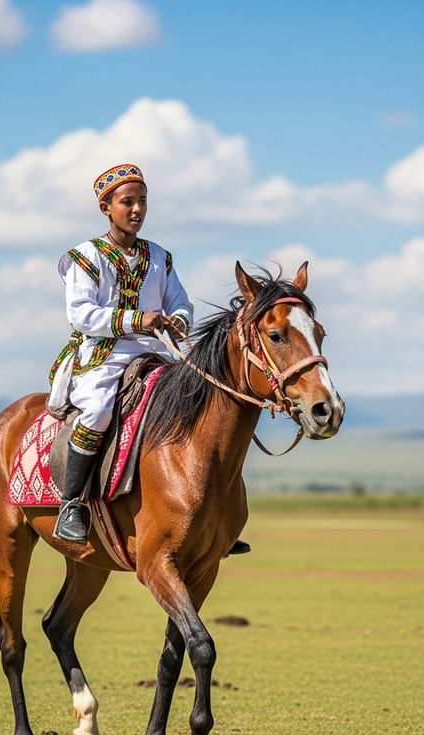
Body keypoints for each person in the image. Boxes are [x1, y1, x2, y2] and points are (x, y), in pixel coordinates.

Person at [47, 164, 250, 557]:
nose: (137, 209)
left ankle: (213, 516)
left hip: (156, 351)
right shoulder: (84, 257)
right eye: (128, 202)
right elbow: (81, 315)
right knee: (98, 411)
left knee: (203, 402)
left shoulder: (159, 256)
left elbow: (180, 300)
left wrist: (178, 319)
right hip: (103, 354)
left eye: (142, 201)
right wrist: (137, 319)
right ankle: (72, 504)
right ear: (106, 206)